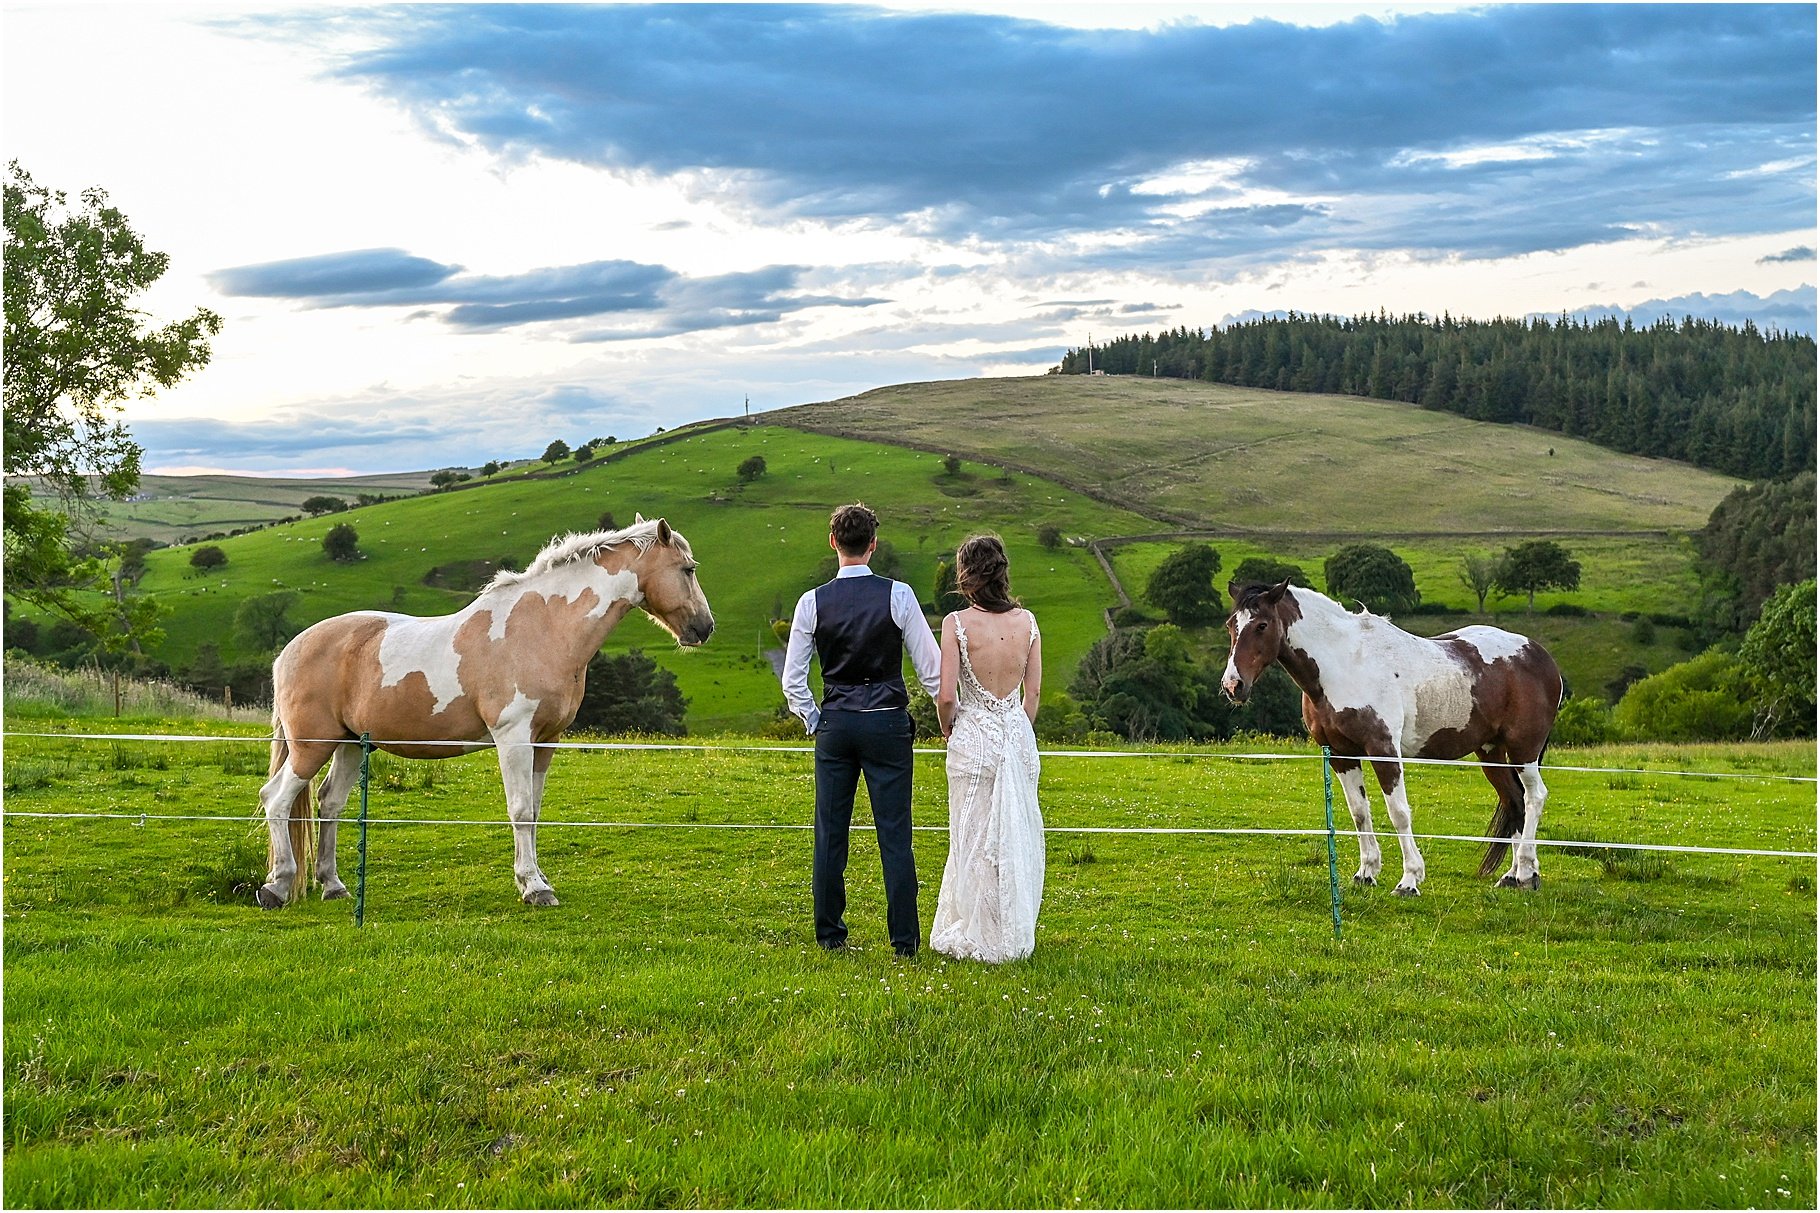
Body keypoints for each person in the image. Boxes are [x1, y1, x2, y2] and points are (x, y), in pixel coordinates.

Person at [783, 503, 941, 958]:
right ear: (873, 544)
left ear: (833, 542)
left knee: (830, 832)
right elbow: (930, 671)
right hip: (888, 722)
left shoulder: (811, 602)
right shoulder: (901, 595)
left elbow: (794, 679)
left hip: (836, 723)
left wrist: (816, 718)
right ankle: (904, 943)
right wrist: (947, 714)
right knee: (895, 833)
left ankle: (831, 936)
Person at [929, 534, 1045, 963]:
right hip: (1015, 736)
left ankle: (979, 929)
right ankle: (1010, 930)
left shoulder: (957, 624)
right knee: (1013, 834)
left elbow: (945, 697)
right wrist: (1014, 731)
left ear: (965, 576)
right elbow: (1032, 696)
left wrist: (949, 730)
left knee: (973, 836)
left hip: (973, 737)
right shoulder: (1028, 622)